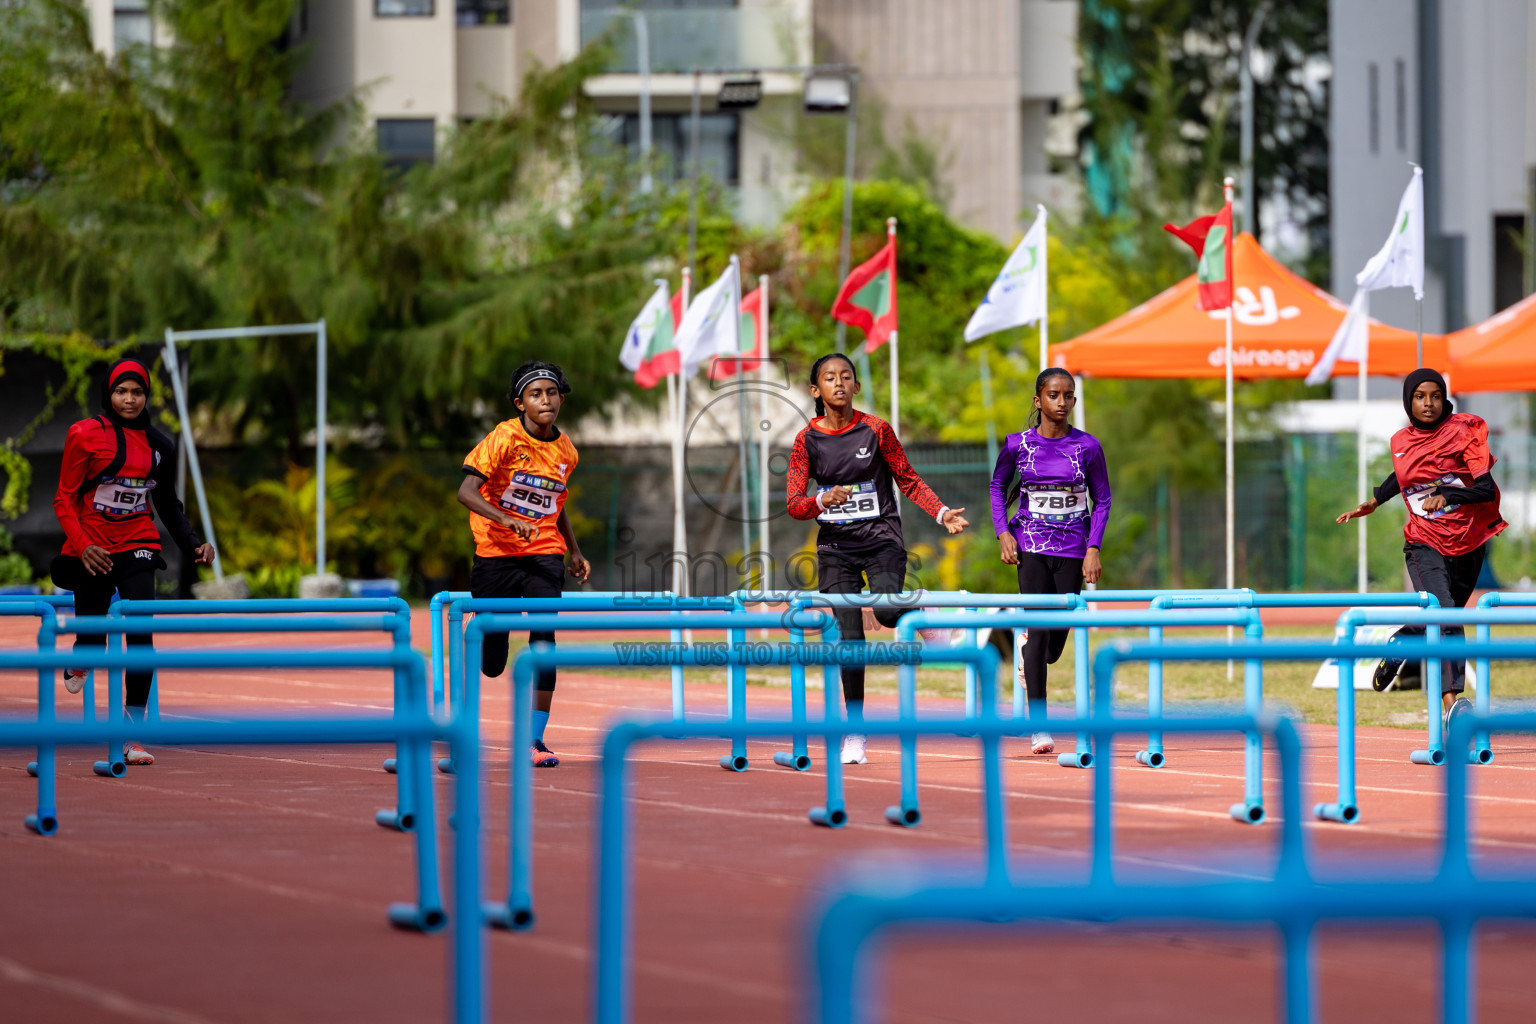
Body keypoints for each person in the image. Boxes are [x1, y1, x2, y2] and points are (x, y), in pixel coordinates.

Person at [786, 353, 969, 765]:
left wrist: (941, 513)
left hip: (881, 539)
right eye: (829, 378)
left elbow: (906, 477)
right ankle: (855, 731)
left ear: (856, 386)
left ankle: (915, 608)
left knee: (887, 613)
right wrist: (821, 499)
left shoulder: (877, 429)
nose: (838, 383)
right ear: (816, 390)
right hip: (836, 549)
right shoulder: (805, 441)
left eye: (845, 377)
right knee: (850, 640)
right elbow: (794, 504)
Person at [51, 359, 216, 766]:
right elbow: (63, 498)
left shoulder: (161, 446)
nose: (129, 399)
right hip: (93, 545)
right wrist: (83, 544)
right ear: (109, 394)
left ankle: (132, 733)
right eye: (121, 391)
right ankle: (82, 655)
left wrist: (193, 544)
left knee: (140, 636)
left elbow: (167, 504)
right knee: (94, 638)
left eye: (137, 392)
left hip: (139, 542)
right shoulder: (85, 434)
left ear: (146, 397)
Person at [1336, 368, 1505, 733]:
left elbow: (1486, 489)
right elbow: (1404, 475)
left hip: (1468, 542)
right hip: (1423, 541)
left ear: (1444, 398)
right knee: (1446, 616)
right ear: (1408, 401)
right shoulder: (1402, 440)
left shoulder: (1466, 432)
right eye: (1419, 397)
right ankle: (1453, 704)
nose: (1428, 403)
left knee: (1446, 616)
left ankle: (1401, 643)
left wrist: (1449, 494)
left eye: (1434, 395)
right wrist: (1374, 501)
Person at [458, 360, 590, 768]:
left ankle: (534, 739)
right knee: (494, 662)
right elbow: (465, 491)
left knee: (545, 642)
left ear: (561, 399)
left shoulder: (567, 451)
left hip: (544, 554)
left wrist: (575, 549)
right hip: (496, 554)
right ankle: (485, 646)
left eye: (552, 393)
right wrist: (505, 519)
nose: (546, 400)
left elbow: (558, 502)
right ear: (521, 403)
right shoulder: (503, 438)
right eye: (536, 394)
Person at [989, 368, 1111, 755]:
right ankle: (1039, 727)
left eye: (1068, 396)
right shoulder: (1017, 445)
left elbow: (1103, 499)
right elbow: (996, 487)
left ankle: (1028, 651)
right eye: (1054, 395)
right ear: (1038, 400)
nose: (1062, 403)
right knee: (1040, 631)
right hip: (1031, 547)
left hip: (1073, 549)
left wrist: (1093, 547)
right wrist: (1003, 533)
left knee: (1053, 647)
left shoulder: (1088, 447)